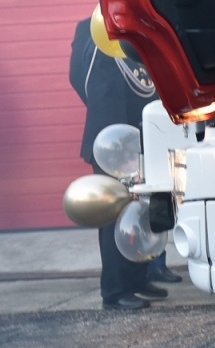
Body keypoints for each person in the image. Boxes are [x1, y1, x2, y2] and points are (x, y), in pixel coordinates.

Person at [69, 18, 173, 311]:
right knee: (115, 212)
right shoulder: (89, 26)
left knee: (142, 211)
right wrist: (102, 111)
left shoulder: (140, 22)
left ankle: (137, 279)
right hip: (110, 141)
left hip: (145, 132)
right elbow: (78, 77)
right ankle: (114, 291)